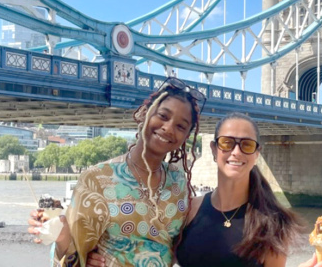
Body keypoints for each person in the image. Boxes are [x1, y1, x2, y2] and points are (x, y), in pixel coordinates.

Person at [87, 112, 322, 267]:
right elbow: (154, 259)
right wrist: (107, 259)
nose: (236, 152)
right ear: (214, 150)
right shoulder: (188, 209)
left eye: (246, 145)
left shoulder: (273, 223)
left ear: (257, 154)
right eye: (227, 143)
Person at [28, 77, 205, 267]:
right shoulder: (98, 179)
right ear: (144, 114)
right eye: (162, 116)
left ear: (186, 136)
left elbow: (180, 247)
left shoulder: (178, 181)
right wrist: (62, 236)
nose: (168, 128)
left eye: (180, 126)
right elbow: (74, 252)